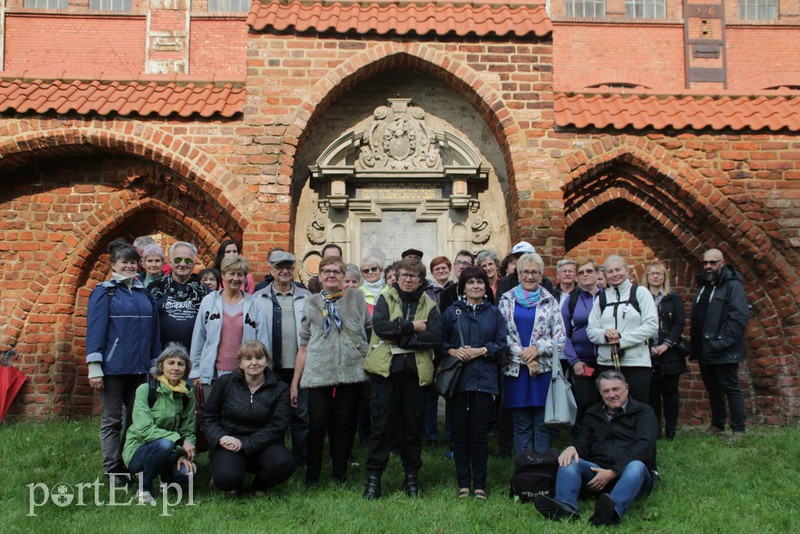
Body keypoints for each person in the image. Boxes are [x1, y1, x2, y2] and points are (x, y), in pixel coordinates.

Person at [534, 371, 658, 525]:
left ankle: (612, 512)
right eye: (606, 391)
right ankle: (565, 507)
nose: (611, 395)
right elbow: (583, 444)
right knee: (569, 459)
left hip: (631, 476)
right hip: (598, 474)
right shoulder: (593, 413)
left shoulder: (644, 412)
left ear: (626, 388)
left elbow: (643, 448)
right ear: (600, 393)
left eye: (616, 389)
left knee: (636, 466)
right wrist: (573, 448)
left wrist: (613, 472)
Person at [363, 257, 441, 499]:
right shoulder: (385, 298)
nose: (408, 280)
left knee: (411, 429)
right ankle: (374, 479)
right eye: (404, 275)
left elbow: (434, 337)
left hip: (415, 376)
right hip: (386, 374)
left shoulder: (429, 304)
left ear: (420, 280)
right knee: (381, 427)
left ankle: (411, 479)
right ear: (396, 277)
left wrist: (402, 336)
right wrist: (411, 327)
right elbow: (381, 328)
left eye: (414, 276)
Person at [290, 255, 371, 487]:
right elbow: (303, 345)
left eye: (336, 271)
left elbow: (369, 330)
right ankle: (312, 476)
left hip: (350, 371)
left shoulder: (356, 299)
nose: (331, 275)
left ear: (344, 276)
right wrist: (295, 382)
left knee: (345, 425)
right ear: (320, 276)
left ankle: (339, 473)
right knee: (317, 424)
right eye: (326, 271)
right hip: (319, 371)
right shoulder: (311, 303)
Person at [86, 239, 161, 481]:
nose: (129, 266)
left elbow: (153, 332)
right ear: (114, 265)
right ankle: (113, 469)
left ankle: (130, 464)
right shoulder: (104, 293)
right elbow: (95, 330)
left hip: (139, 369)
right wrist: (94, 366)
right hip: (113, 369)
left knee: (136, 419)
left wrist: (154, 363)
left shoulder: (144, 294)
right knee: (112, 421)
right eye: (124, 262)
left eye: (132, 262)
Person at [440, 266, 507, 499]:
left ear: (486, 287)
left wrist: (482, 350)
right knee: (459, 434)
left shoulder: (494, 313)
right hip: (458, 382)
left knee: (479, 435)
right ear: (463, 287)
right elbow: (440, 343)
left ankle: (479, 484)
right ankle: (463, 485)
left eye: (480, 282)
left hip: (484, 381)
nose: (476, 286)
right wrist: (453, 351)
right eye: (471, 283)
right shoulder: (451, 312)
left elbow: (502, 344)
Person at [203, 340, 296, 495]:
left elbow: (278, 426)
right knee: (227, 478)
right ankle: (230, 478)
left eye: (259, 358)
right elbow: (209, 417)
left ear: (266, 361)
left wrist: (245, 443)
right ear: (240, 363)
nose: (254, 363)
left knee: (284, 463)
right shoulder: (226, 383)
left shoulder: (280, 389)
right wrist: (221, 438)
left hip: (264, 445)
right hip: (229, 444)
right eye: (248, 359)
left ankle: (259, 486)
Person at [498, 252, 566, 455]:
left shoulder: (550, 301)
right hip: (516, 372)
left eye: (534, 272)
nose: (529, 276)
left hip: (543, 372)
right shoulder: (507, 300)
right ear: (518, 275)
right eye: (525, 272)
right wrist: (526, 358)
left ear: (541, 275)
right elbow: (503, 335)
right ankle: (525, 472)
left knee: (543, 425)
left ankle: (543, 472)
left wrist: (537, 350)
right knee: (521, 426)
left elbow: (560, 339)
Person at [254, 251, 311, 465]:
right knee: (272, 416)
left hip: (299, 366)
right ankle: (275, 459)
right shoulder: (259, 297)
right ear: (271, 270)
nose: (285, 271)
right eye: (280, 267)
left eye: (289, 266)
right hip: (270, 368)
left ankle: (301, 460)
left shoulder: (305, 296)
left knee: (300, 414)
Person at [123, 343, 196, 504]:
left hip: (170, 450)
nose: (176, 368)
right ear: (161, 366)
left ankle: (166, 480)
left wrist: (183, 455)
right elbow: (145, 429)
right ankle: (145, 489)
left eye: (180, 364)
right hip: (139, 450)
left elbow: (188, 430)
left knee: (188, 473)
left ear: (186, 369)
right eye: (171, 363)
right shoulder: (146, 390)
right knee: (164, 444)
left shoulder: (187, 394)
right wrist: (178, 440)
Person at [690, 248, 750, 441]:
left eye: (712, 262)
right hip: (705, 348)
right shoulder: (705, 285)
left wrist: (722, 342)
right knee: (713, 388)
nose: (708, 266)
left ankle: (738, 430)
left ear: (722, 263)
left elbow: (739, 317)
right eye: (705, 262)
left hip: (723, 348)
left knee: (731, 389)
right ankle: (717, 425)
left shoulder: (732, 285)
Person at [189, 255, 266, 397]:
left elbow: (262, 341)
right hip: (212, 375)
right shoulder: (209, 301)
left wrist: (261, 372)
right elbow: (199, 337)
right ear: (223, 275)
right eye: (231, 273)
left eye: (240, 274)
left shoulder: (254, 304)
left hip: (245, 376)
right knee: (212, 417)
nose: (235, 278)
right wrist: (195, 372)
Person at [587, 255, 658, 403]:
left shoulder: (640, 293)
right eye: (610, 271)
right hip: (607, 362)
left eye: (618, 269)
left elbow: (651, 326)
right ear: (605, 275)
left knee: (637, 405)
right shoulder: (602, 298)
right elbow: (591, 330)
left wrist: (621, 340)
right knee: (609, 406)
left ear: (627, 271)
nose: (614, 274)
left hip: (636, 362)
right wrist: (605, 335)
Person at [643, 261, 687, 440]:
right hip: (647, 351)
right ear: (647, 277)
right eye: (652, 273)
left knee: (670, 393)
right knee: (652, 394)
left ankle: (671, 430)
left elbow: (679, 323)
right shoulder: (641, 296)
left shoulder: (673, 297)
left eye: (659, 273)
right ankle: (655, 431)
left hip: (669, 352)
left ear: (664, 277)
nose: (655, 276)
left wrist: (666, 345)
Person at [561, 257, 601, 427]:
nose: (585, 275)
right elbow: (562, 334)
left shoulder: (608, 297)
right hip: (581, 360)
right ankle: (583, 436)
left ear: (597, 274)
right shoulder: (571, 301)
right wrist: (574, 361)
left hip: (605, 358)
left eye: (589, 271)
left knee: (606, 398)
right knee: (585, 401)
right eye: (581, 272)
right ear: (576, 277)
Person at [148, 241, 208, 353]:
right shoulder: (155, 289)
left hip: (195, 357)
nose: (183, 264)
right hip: (162, 357)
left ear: (194, 264)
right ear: (170, 262)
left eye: (188, 261)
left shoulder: (203, 291)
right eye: (177, 260)